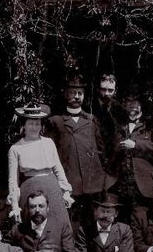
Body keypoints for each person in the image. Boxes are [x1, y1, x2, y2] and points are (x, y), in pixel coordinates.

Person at [46, 77, 113, 228]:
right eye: (73, 92)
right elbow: (50, 155)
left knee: (92, 225)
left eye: (80, 93)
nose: (76, 96)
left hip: (92, 184)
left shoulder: (91, 121)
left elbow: (101, 151)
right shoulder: (56, 121)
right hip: (69, 183)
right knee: (71, 225)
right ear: (66, 94)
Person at [7, 103, 74, 225]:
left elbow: (58, 168)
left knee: (58, 223)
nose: (34, 127)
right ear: (24, 125)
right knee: (34, 225)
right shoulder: (15, 149)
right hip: (30, 189)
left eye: (37, 124)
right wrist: (15, 206)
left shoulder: (48, 143)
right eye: (30, 124)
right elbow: (13, 180)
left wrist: (66, 192)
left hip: (52, 188)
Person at [111, 94, 153, 221]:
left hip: (142, 185)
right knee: (121, 221)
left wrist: (136, 145)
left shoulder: (151, 124)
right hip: (120, 186)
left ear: (141, 104)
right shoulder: (118, 124)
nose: (132, 105)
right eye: (128, 101)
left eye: (135, 101)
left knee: (142, 221)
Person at [90, 74, 127, 169]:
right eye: (103, 89)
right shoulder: (89, 108)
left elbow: (120, 137)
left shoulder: (121, 110)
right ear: (98, 89)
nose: (106, 93)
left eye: (110, 90)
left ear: (115, 90)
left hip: (113, 161)